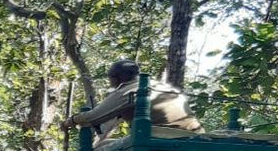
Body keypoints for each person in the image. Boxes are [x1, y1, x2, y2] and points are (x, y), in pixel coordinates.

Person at [61, 59, 203, 142]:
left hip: (162, 138)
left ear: (116, 78)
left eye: (110, 79)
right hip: (196, 135)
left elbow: (93, 117)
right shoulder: (161, 86)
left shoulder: (127, 91)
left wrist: (70, 121)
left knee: (101, 148)